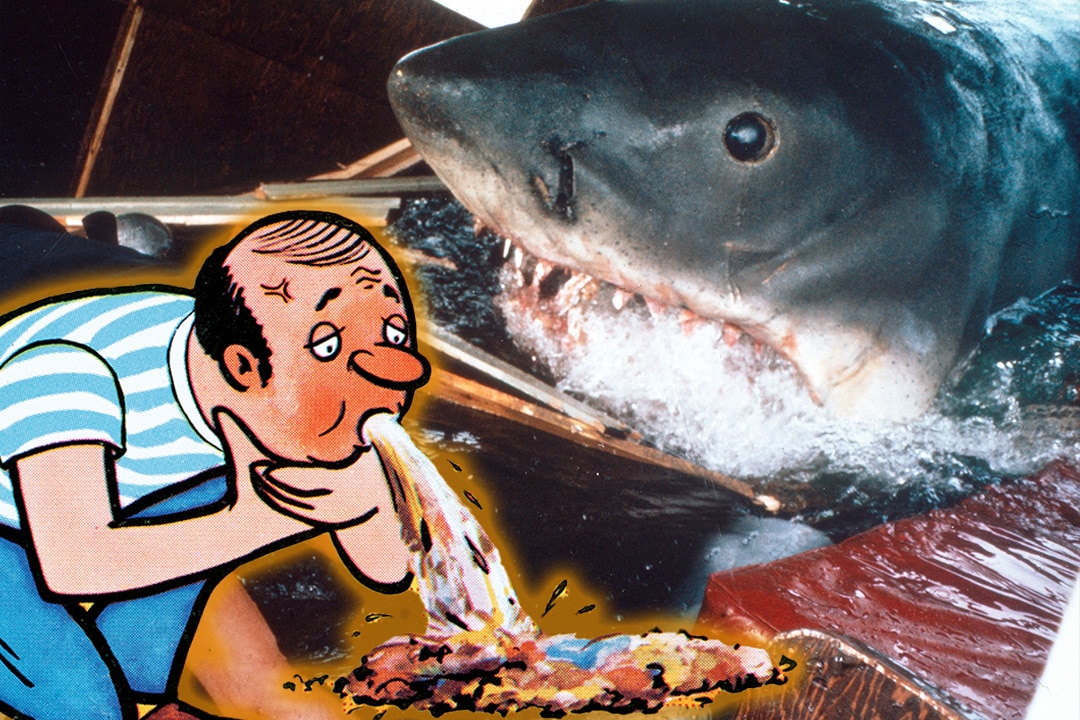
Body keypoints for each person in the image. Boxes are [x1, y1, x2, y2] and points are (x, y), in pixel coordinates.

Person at [0, 209, 431, 720]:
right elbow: (74, 562)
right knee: (89, 708)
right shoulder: (67, 371)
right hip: (45, 531)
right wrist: (261, 520)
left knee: (257, 689)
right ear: (242, 367)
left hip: (125, 488)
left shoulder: (298, 366)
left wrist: (366, 502)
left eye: (394, 333)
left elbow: (387, 566)